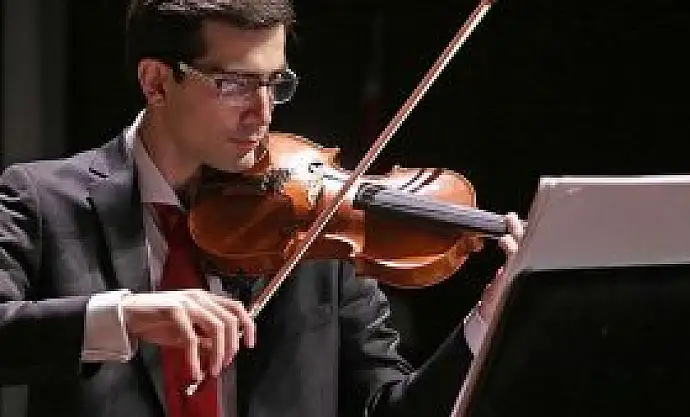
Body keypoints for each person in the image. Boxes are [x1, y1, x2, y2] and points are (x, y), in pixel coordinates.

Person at [0, 1, 525, 416]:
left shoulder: (313, 224)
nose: (263, 112)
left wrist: (487, 319)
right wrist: (127, 315)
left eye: (275, 83)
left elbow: (391, 408)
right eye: (234, 84)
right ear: (156, 82)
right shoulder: (43, 200)